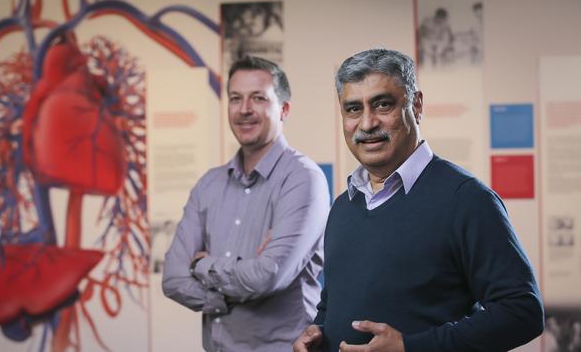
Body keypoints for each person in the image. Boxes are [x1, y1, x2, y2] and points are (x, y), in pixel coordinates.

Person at [293, 48, 544, 352]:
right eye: (353, 109)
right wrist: (319, 331)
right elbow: (333, 302)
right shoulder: (343, 207)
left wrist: (410, 347)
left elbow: (522, 311)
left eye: (382, 105)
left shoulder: (466, 199)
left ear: (417, 105)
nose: (368, 123)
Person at [163, 56, 330, 352]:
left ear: (284, 109)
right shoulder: (208, 185)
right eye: (235, 98)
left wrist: (201, 264)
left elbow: (267, 276)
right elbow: (174, 278)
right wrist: (226, 295)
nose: (244, 110)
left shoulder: (303, 179)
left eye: (258, 98)